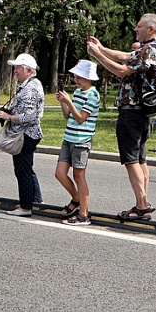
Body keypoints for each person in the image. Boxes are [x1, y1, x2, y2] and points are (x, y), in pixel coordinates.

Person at [86, 13, 156, 221]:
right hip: (143, 112)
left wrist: (97, 55)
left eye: (139, 26)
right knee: (140, 159)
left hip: (132, 112)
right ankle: (142, 203)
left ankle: (142, 205)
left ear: (150, 29)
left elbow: (122, 70)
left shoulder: (150, 49)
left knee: (131, 159)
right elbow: (125, 56)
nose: (135, 29)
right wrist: (102, 48)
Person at [0, 53, 45, 217]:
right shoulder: (32, 84)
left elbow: (30, 117)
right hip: (30, 134)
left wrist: (8, 117)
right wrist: (12, 111)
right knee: (27, 168)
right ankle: (36, 200)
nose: (15, 71)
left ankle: (25, 206)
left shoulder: (30, 89)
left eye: (18, 67)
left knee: (22, 170)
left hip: (26, 135)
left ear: (29, 70)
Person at [55, 60, 100, 226]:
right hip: (69, 137)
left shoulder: (93, 95)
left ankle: (83, 213)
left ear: (88, 77)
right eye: (76, 75)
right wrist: (63, 102)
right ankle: (76, 199)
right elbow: (68, 116)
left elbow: (81, 118)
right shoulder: (77, 92)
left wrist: (69, 102)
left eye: (79, 76)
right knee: (60, 173)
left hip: (81, 140)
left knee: (79, 176)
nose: (76, 78)